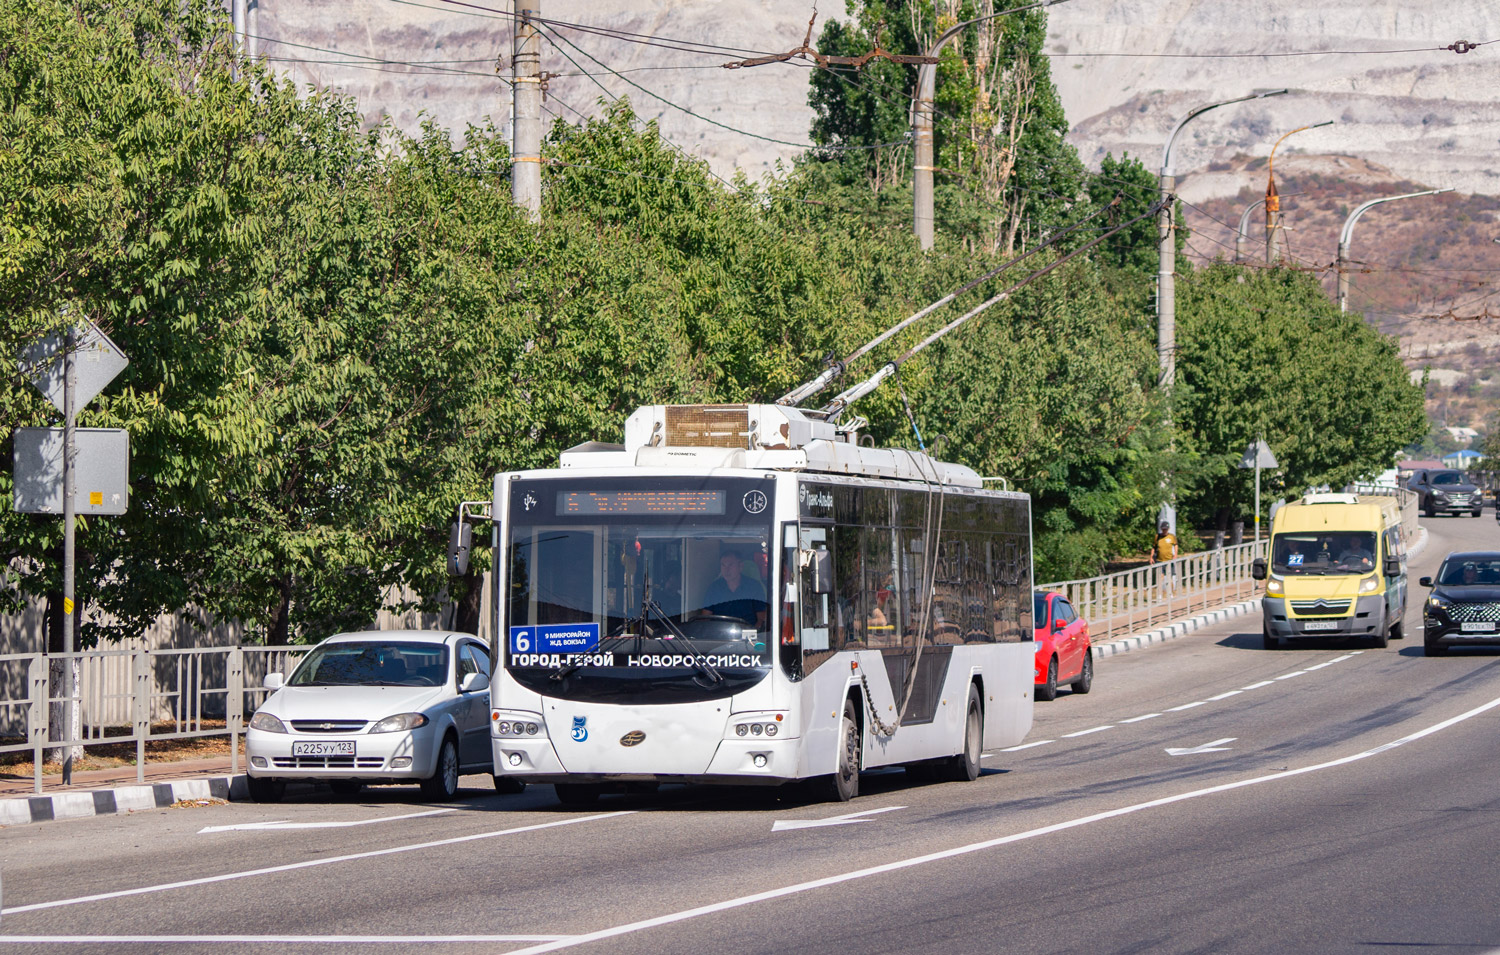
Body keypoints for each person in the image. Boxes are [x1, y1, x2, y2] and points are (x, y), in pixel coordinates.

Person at [700, 550, 768, 628]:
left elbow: (761, 620)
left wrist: (753, 636)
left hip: (746, 636)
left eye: (730, 565)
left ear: (741, 566)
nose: (726, 570)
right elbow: (705, 619)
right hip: (719, 636)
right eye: (723, 565)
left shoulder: (754, 587)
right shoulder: (714, 588)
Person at [1150, 522, 1179, 593]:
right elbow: (1154, 547)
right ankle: (1159, 594)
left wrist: (1175, 554)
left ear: (1168, 529)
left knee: (1170, 577)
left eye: (1166, 529)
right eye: (1163, 529)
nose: (1164, 531)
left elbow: (1175, 545)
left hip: (1169, 560)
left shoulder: (1172, 536)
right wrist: (1151, 557)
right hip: (1160, 560)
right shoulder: (1158, 537)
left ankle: (1171, 593)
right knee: (1160, 578)